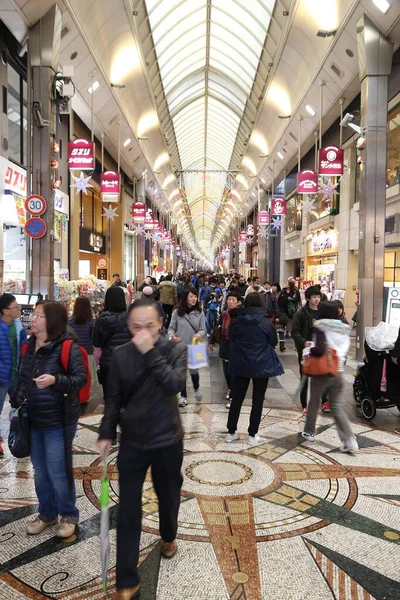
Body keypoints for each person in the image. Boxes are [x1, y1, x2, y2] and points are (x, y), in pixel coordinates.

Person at [97, 299, 186, 600]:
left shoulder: (176, 350)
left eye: (149, 325)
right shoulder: (120, 355)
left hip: (167, 440)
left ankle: (169, 535)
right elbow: (113, 399)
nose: (142, 332)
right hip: (133, 442)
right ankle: (127, 582)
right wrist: (106, 432)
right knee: (128, 511)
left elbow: (174, 384)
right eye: (136, 327)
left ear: (161, 323)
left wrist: (150, 353)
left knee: (169, 496)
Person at [10, 301, 87, 537]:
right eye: (33, 315)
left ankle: (68, 514)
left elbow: (80, 379)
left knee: (58, 469)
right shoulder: (27, 346)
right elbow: (22, 378)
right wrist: (16, 402)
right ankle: (47, 513)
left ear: (51, 321)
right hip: (32, 418)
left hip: (58, 420)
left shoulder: (67, 348)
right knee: (40, 471)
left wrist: (56, 380)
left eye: (38, 316)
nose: (32, 319)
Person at [226, 293, 283, 445]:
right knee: (258, 400)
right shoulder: (266, 323)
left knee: (237, 398)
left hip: (240, 364)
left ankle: (231, 432)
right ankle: (252, 435)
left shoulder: (236, 321)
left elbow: (231, 338)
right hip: (261, 365)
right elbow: (273, 342)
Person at [302, 302, 358, 453]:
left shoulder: (321, 326)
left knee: (314, 401)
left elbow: (319, 350)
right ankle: (349, 440)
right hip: (338, 372)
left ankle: (309, 432)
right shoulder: (344, 328)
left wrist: (310, 349)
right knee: (336, 406)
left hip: (322, 371)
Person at [292, 286, 330, 415]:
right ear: (308, 298)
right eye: (314, 297)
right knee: (305, 377)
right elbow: (295, 332)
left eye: (318, 297)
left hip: (321, 349)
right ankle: (304, 404)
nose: (317, 299)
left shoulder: (323, 312)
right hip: (306, 351)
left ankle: (325, 401)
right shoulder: (301, 313)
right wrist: (304, 342)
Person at [168, 287, 207, 407]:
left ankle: (197, 389)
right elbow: (171, 328)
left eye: (195, 296)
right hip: (180, 348)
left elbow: (203, 329)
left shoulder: (199, 312)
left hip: (194, 346)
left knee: (194, 371)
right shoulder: (177, 313)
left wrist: (199, 334)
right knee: (181, 373)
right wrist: (171, 337)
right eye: (191, 296)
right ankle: (183, 396)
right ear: (185, 298)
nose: (194, 299)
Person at [0, 293, 27, 456]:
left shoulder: (18, 327)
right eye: (15, 307)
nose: (18, 309)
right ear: (5, 310)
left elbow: (24, 349)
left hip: (17, 376)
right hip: (2, 377)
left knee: (20, 407)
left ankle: (20, 437)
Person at [92, 287, 131, 396]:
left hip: (108, 363)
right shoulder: (130, 317)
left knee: (110, 398)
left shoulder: (101, 319)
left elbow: (96, 342)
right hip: (128, 362)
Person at [209, 290, 242, 409]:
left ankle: (233, 395)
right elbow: (217, 328)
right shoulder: (224, 314)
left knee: (233, 373)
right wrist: (211, 342)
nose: (231, 302)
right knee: (227, 372)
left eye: (233, 300)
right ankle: (230, 389)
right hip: (224, 345)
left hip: (235, 347)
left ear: (238, 302)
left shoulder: (241, 315)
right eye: (229, 299)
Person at [68, 296, 97, 401]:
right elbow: (93, 338)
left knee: (74, 375)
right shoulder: (91, 322)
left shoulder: (70, 321)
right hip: (88, 352)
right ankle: (84, 397)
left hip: (73, 353)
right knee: (87, 377)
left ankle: (75, 396)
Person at [271, 283, 289, 352]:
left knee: (281, 330)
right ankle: (273, 344)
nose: (273, 288)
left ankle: (282, 345)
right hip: (272, 314)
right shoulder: (270, 295)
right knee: (273, 330)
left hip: (280, 314)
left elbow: (285, 304)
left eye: (274, 286)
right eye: (272, 286)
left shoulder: (282, 295)